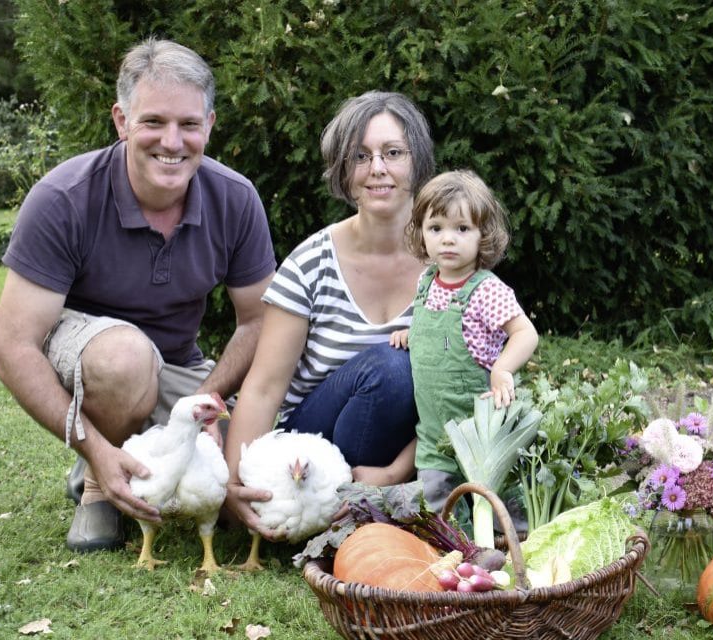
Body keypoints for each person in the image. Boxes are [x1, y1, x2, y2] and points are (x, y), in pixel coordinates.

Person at [0, 39, 276, 553]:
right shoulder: (63, 199)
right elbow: (12, 348)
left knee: (258, 478)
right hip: (94, 360)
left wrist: (205, 404)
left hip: (177, 367)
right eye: (153, 122)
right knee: (125, 359)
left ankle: (145, 450)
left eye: (189, 124)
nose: (173, 141)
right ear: (122, 121)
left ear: (209, 125)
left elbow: (258, 322)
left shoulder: (235, 198)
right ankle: (99, 483)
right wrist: (95, 448)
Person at [223, 91, 434, 540]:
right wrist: (231, 486)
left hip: (404, 449)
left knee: (410, 369)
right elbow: (262, 387)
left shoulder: (449, 265)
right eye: (360, 156)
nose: (377, 168)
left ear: (417, 161)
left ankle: (368, 506)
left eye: (393, 153)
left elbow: (466, 389)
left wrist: (397, 472)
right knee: (393, 367)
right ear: (344, 170)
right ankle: (340, 511)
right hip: (309, 449)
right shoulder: (312, 263)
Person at [389, 170, 539, 513]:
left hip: (481, 432)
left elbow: (525, 333)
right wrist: (410, 334)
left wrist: (503, 368)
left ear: (482, 235)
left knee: (501, 511)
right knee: (443, 517)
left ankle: (512, 550)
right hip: (434, 438)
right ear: (421, 234)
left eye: (462, 229)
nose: (448, 239)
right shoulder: (426, 283)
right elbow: (437, 335)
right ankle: (459, 559)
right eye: (436, 228)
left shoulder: (486, 290)